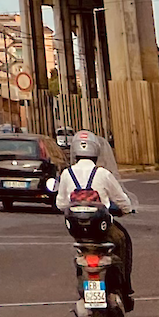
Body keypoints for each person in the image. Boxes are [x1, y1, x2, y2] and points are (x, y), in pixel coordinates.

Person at [56, 130, 136, 305]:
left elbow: (60, 204)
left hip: (79, 234)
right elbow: (122, 200)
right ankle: (125, 287)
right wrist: (127, 209)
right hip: (103, 231)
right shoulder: (103, 174)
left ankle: (83, 287)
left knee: (79, 255)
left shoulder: (67, 174)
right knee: (123, 240)